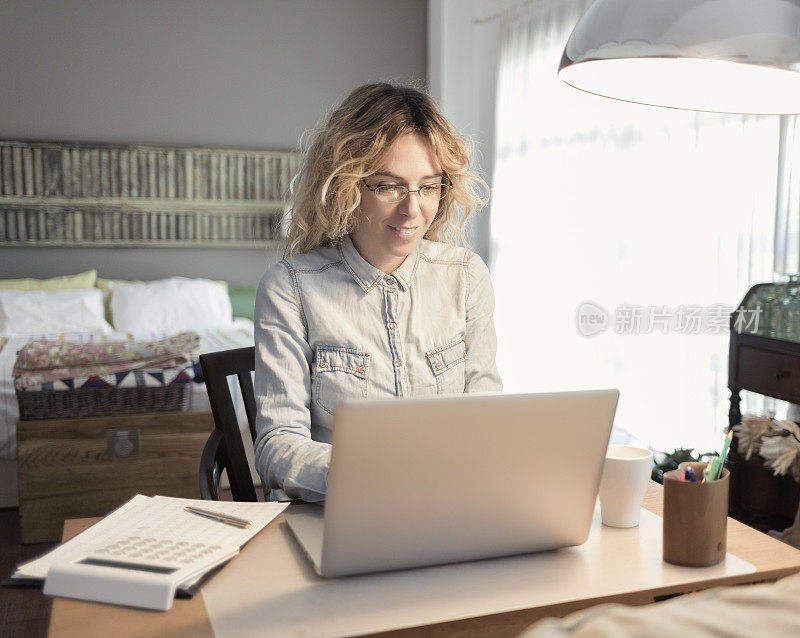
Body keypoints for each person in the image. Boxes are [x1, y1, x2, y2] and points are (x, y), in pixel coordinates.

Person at [253, 82, 502, 502]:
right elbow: (278, 445)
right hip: (338, 513)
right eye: (388, 186)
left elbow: (486, 417)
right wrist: (374, 477)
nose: (412, 208)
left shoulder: (466, 276)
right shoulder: (291, 287)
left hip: (447, 505)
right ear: (345, 185)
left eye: (428, 186)